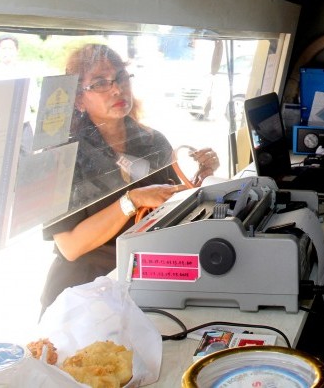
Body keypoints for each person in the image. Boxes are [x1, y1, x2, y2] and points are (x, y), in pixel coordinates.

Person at [39, 44, 220, 314]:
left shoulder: (151, 140)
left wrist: (199, 177)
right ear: (78, 99)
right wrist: (131, 201)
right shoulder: (60, 156)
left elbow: (174, 203)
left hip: (142, 281)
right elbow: (70, 246)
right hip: (82, 295)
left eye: (121, 77)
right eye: (100, 83)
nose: (117, 89)